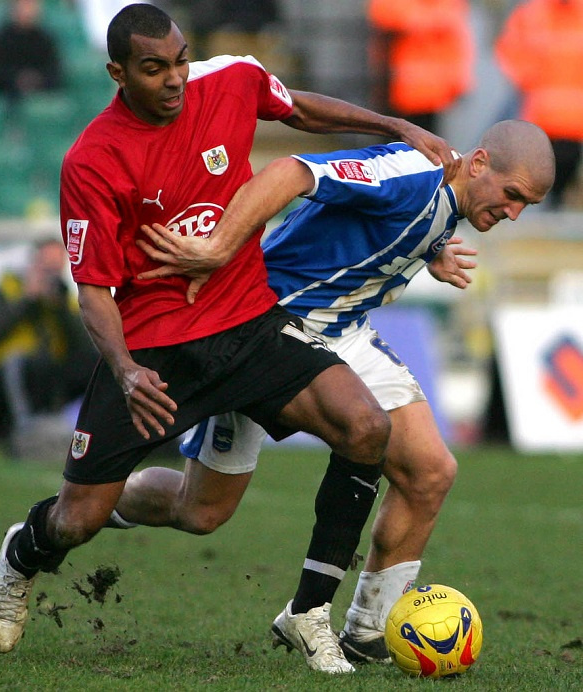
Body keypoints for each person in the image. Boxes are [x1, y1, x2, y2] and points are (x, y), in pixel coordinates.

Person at [0, 2, 457, 661]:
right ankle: (22, 551)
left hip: (249, 324)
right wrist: (125, 369)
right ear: (118, 73)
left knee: (365, 428)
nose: (175, 78)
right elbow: (94, 293)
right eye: (154, 69)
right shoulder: (93, 160)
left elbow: (300, 110)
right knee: (83, 518)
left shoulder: (230, 80)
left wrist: (395, 124)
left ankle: (312, 613)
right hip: (154, 350)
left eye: (179, 61)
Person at [121, 119, 555, 673]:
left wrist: (430, 249)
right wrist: (217, 247)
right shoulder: (412, 170)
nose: (514, 212)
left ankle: (367, 629)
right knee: (201, 511)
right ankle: (99, 504)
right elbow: (291, 172)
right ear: (478, 162)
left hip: (345, 333)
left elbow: (389, 224)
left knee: (429, 471)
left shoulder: (449, 199)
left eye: (528, 206)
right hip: (268, 329)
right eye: (512, 195)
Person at [0, 238, 98, 451]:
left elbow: (84, 347)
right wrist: (28, 299)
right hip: (4, 367)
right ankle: (23, 433)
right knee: (26, 364)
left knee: (93, 364)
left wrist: (59, 307)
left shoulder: (63, 298)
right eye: (45, 264)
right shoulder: (10, 287)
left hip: (49, 370)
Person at [495, 0, 583, 208]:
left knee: (564, 161)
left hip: (570, 113)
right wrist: (526, 77)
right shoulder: (531, 14)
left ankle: (554, 205)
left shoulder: (532, 13)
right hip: (543, 110)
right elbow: (509, 50)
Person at [367, 0, 475, 135]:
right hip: (401, 87)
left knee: (419, 141)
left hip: (426, 91)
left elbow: (456, 42)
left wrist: (460, 81)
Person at [0, 0, 63, 102]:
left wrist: (35, 80)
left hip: (41, 94)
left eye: (30, 6)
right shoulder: (0, 38)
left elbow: (54, 70)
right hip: (6, 93)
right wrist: (16, 79)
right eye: (23, 6)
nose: (27, 11)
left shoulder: (45, 39)